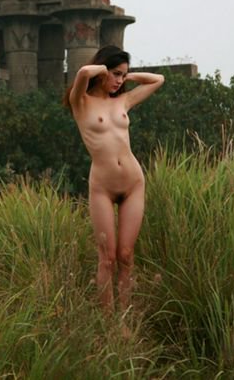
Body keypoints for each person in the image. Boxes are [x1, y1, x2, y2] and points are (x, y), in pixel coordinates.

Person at [64, 45, 165, 315]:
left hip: (133, 184)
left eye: (123, 75)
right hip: (102, 188)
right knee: (107, 259)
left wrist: (129, 76)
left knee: (126, 256)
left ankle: (125, 321)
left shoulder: (123, 101)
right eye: (116, 74)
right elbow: (83, 73)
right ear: (102, 71)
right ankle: (108, 323)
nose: (120, 80)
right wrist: (101, 69)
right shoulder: (80, 102)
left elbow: (158, 80)